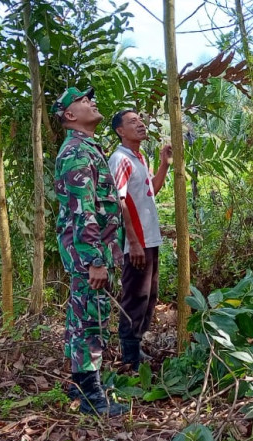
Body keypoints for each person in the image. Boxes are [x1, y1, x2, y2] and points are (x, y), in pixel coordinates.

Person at [52, 86, 127, 416]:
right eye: (83, 100)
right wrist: (95, 259)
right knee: (90, 320)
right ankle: (91, 398)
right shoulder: (77, 152)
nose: (92, 102)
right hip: (88, 253)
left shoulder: (86, 148)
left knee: (81, 315)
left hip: (91, 250)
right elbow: (83, 210)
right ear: (70, 115)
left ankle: (80, 384)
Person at [107, 110, 174, 371]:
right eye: (132, 122)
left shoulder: (138, 158)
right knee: (135, 295)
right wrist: (133, 242)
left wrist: (164, 164)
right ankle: (130, 357)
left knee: (149, 295)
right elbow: (119, 200)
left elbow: (151, 191)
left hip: (150, 238)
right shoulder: (120, 159)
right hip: (136, 241)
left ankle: (137, 349)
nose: (140, 124)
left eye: (141, 120)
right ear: (120, 131)